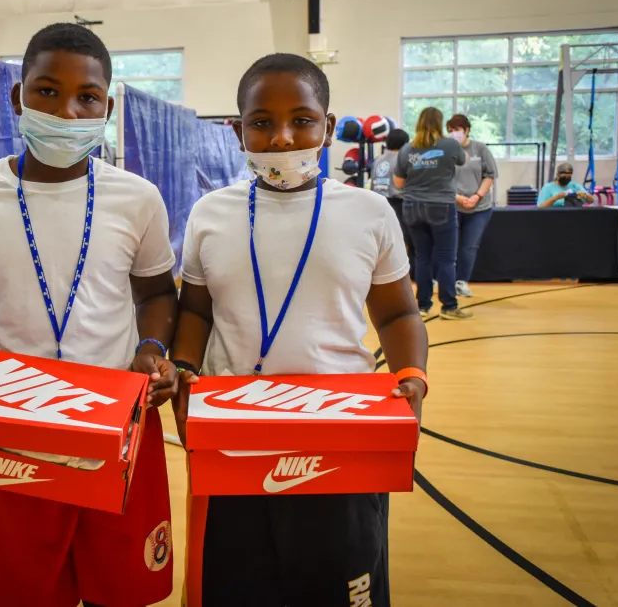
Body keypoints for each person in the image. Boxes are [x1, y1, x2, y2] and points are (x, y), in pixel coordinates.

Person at [0, 23, 179, 607]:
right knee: (28, 591)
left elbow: (156, 294)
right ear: (17, 98)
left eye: (88, 97)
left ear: (107, 106)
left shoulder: (137, 197)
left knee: (122, 589)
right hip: (14, 433)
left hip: (119, 423)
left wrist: (152, 350)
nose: (68, 110)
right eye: (48, 91)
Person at [170, 53, 428, 607]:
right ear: (238, 131)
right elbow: (195, 311)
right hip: (232, 434)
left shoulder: (369, 212)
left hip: (342, 433)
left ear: (328, 127)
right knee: (233, 586)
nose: (282, 137)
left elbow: (399, 314)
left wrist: (411, 375)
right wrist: (185, 372)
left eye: (302, 119)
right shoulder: (209, 213)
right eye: (261, 122)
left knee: (336, 585)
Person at [394, 107, 472, 320]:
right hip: (442, 207)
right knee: (446, 259)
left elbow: (398, 182)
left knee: (422, 257)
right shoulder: (450, 145)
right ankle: (448, 306)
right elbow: (463, 159)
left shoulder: (407, 149)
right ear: (440, 124)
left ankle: (423, 305)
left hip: (412, 207)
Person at [446, 114, 497, 297]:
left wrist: (476, 196)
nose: (454, 134)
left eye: (457, 130)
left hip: (479, 207)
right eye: (451, 131)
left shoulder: (480, 149)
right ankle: (447, 282)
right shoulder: (446, 151)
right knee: (449, 246)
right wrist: (458, 198)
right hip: (453, 205)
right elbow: (441, 179)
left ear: (467, 130)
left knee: (469, 246)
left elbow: (489, 175)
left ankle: (462, 282)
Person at [371, 128, 414, 273]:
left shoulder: (378, 159)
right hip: (397, 202)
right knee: (403, 241)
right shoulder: (402, 159)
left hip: (377, 201)